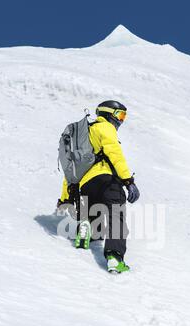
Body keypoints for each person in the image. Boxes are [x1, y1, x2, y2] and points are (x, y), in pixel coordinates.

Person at [58, 100, 140, 273]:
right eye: (120, 115)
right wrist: (128, 181)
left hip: (85, 184)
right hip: (106, 179)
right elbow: (115, 154)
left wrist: (65, 198)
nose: (121, 120)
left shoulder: (83, 135)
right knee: (115, 213)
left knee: (92, 214)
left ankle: (85, 228)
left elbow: (70, 169)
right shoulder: (105, 127)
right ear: (109, 114)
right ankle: (114, 258)